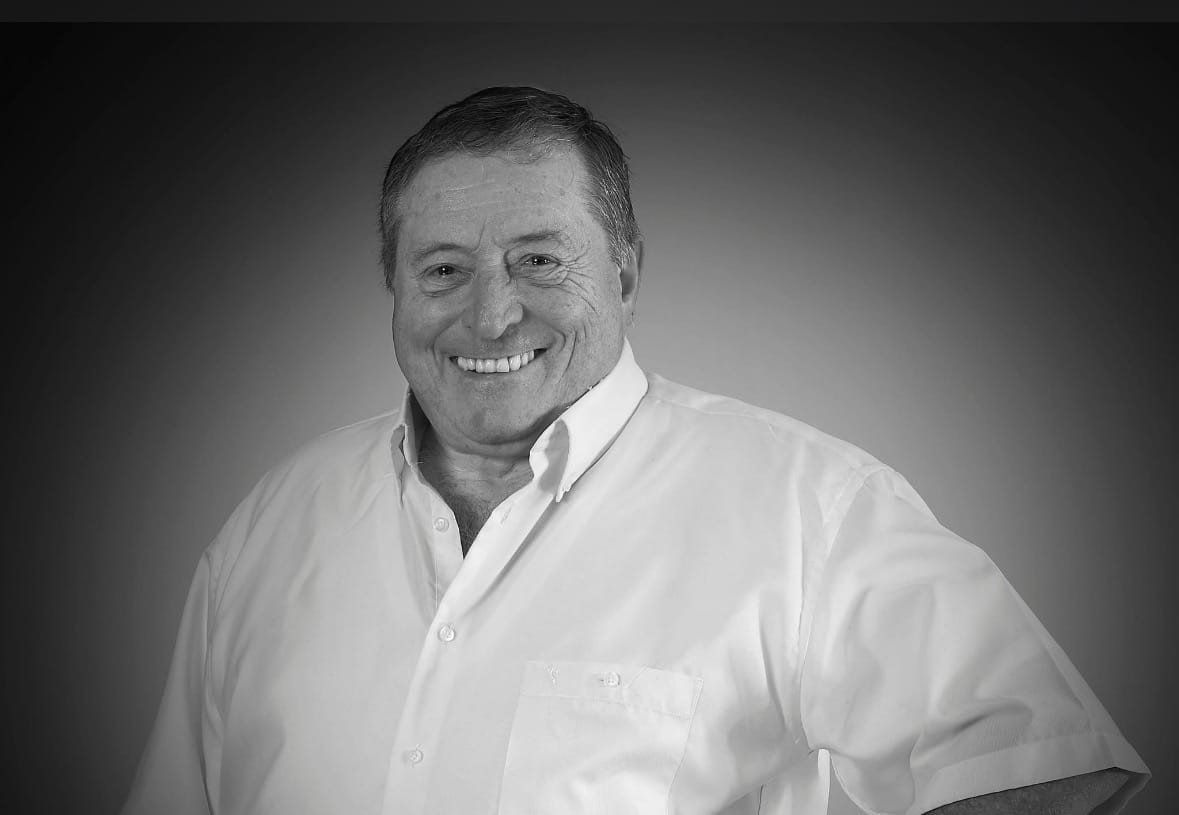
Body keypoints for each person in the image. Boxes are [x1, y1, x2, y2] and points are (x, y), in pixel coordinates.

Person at [121, 86, 1149, 815]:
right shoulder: (273, 524)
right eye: (442, 269)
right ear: (394, 285)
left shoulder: (806, 505)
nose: (492, 312)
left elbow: (1043, 760)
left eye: (538, 259)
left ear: (624, 270)